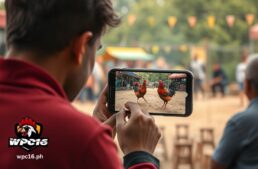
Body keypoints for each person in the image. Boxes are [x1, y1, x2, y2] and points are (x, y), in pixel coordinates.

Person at [0, 0, 161, 169]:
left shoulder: (82, 138)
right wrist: (141, 157)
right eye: (96, 48)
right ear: (81, 47)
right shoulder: (84, 141)